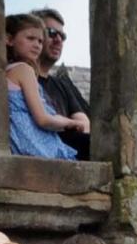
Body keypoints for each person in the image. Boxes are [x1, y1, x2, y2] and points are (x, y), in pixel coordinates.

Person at [4, 13, 88, 159]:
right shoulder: (24, 70)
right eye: (30, 38)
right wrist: (70, 122)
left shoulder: (7, 71)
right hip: (33, 142)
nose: (37, 45)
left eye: (40, 41)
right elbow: (42, 118)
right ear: (9, 39)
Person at [30, 9, 92, 161]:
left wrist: (60, 124)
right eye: (51, 32)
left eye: (62, 36)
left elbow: (85, 124)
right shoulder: (20, 79)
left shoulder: (63, 85)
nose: (58, 40)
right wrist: (69, 124)